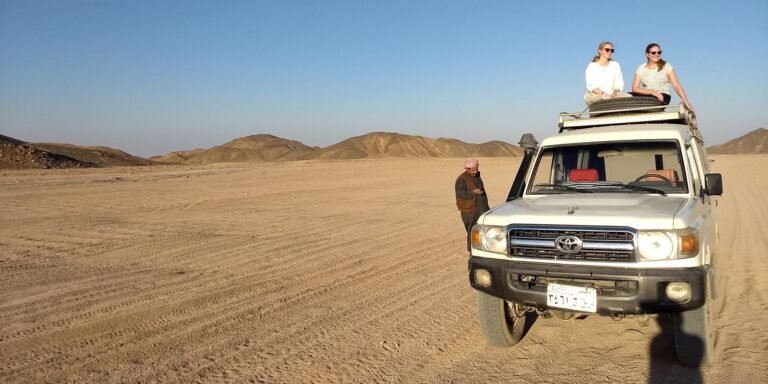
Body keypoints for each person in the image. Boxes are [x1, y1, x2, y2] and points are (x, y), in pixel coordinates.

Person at [631, 43, 695, 112]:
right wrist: (653, 93)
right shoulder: (641, 68)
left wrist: (686, 102)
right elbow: (635, 88)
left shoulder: (666, 66)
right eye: (653, 53)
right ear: (647, 54)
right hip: (648, 95)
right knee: (628, 95)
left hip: (663, 96)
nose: (657, 54)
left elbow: (677, 86)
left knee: (652, 100)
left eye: (659, 52)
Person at [455, 159, 490, 251]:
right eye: (473, 170)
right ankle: (472, 252)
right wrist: (473, 192)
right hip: (469, 212)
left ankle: (483, 250)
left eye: (476, 169)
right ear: (467, 169)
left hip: (481, 208)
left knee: (483, 231)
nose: (475, 171)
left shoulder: (477, 176)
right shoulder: (461, 179)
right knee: (472, 232)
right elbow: (460, 193)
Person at [584, 41, 631, 105]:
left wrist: (615, 92)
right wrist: (604, 94)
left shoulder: (615, 65)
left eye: (612, 50)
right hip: (598, 95)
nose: (609, 52)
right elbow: (591, 86)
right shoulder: (592, 66)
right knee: (593, 99)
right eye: (607, 50)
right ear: (600, 51)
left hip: (614, 94)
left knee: (629, 98)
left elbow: (619, 83)